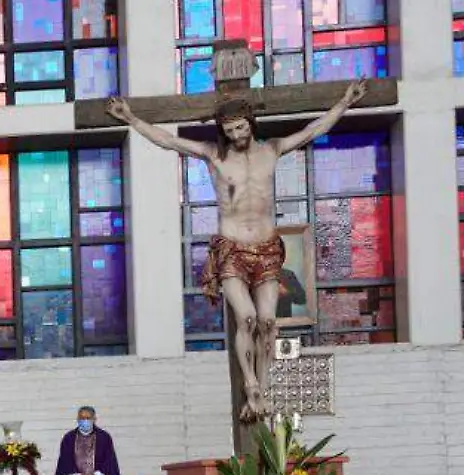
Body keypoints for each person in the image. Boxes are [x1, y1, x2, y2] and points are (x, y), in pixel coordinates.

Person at [107, 82, 366, 424]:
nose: (237, 135)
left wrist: (345, 101)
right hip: (231, 248)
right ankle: (251, 383)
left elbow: (312, 130)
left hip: (267, 248)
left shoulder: (272, 149)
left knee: (269, 321)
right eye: (229, 131)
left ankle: (264, 386)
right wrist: (130, 118)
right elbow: (168, 140)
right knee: (246, 317)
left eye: (241, 128)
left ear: (251, 125)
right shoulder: (214, 155)